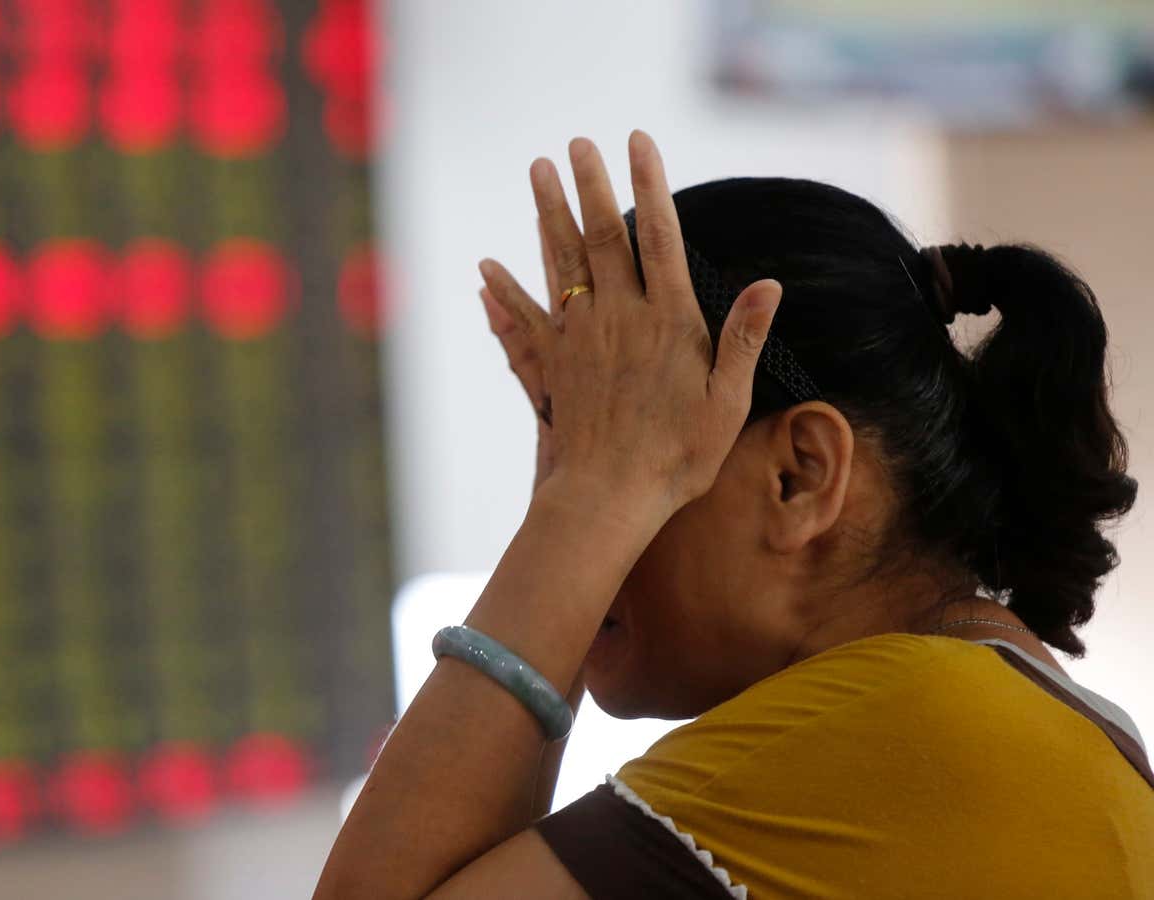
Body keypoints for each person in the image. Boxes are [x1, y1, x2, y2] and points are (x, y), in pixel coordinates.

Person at [314, 131, 1151, 899]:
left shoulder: (890, 729)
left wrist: (585, 507)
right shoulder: (1052, 736)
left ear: (799, 475)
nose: (566, 510)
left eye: (623, 440)